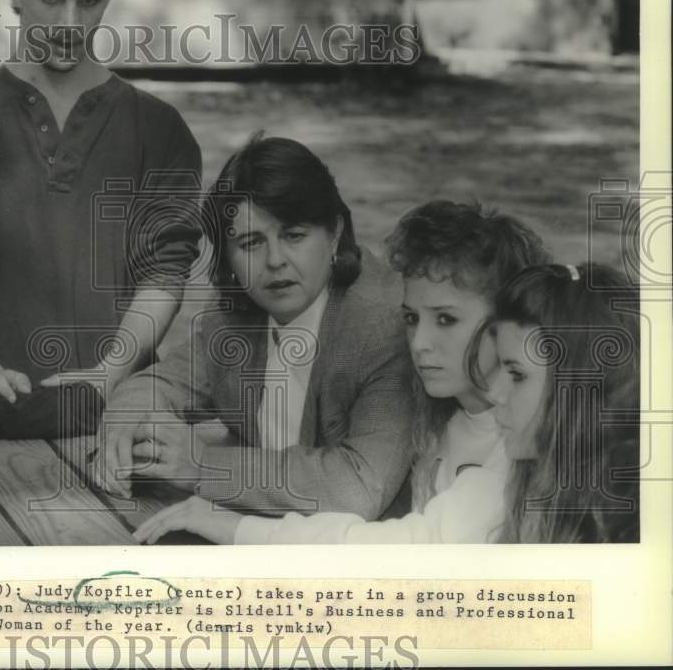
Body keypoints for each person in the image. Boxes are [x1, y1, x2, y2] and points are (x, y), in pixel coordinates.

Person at [133, 199, 549, 544]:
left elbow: (402, 551)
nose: (419, 343)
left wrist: (236, 527)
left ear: (508, 324)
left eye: (445, 320)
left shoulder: (521, 444)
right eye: (410, 318)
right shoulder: (439, 413)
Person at [0, 0, 202, 432]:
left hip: (116, 425)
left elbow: (164, 273)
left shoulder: (159, 129)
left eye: (89, 0)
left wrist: (104, 378)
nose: (69, 23)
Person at [98, 135, 414, 519]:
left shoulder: (384, 326)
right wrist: (123, 423)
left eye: (294, 236)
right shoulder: (236, 315)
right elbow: (161, 383)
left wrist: (202, 465)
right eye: (250, 243)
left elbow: (359, 488)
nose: (275, 260)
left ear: (334, 234)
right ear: (228, 258)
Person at [490, 262, 639, 543]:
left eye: (517, 375)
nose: (494, 393)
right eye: (498, 367)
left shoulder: (627, 532)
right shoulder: (526, 491)